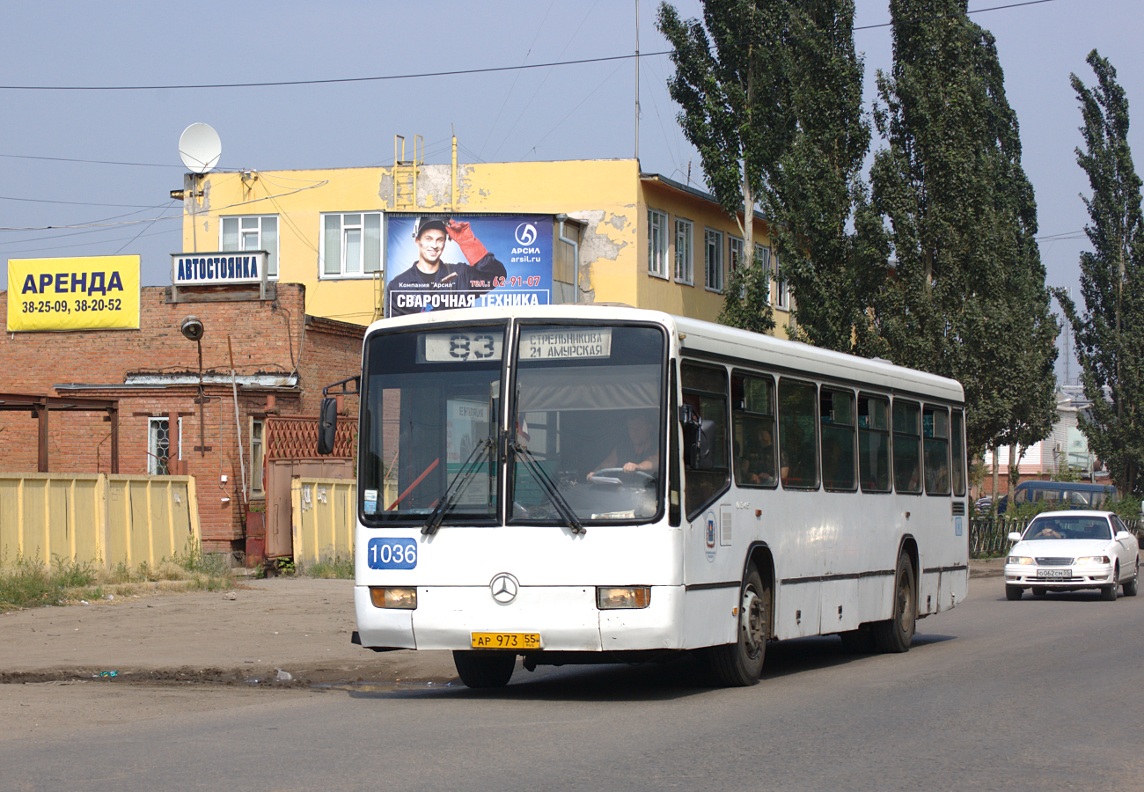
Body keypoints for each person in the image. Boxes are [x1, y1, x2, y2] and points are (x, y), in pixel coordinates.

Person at [386, 217, 507, 317]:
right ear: (417, 241)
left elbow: (498, 277)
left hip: (457, 344)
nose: (434, 245)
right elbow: (392, 333)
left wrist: (468, 242)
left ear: (445, 243)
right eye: (428, 239)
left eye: (439, 240)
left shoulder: (461, 275)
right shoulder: (397, 286)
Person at [588, 412, 659, 480]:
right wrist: (595, 474)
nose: (634, 432)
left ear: (650, 427)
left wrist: (638, 467)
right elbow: (606, 465)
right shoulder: (623, 448)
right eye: (631, 428)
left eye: (638, 427)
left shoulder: (659, 445)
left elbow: (656, 461)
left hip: (648, 490)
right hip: (624, 491)